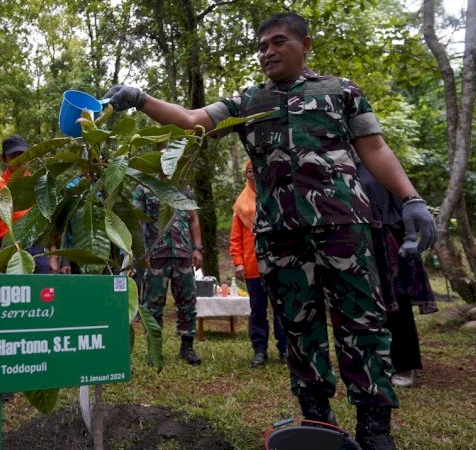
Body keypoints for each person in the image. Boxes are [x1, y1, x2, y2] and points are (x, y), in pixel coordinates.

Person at [104, 12, 437, 449]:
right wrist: (140, 98)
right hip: (280, 236)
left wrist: (411, 200)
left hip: (345, 230)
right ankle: (318, 424)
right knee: (299, 332)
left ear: (305, 44)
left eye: (277, 42)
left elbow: (374, 148)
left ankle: (375, 430)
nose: (267, 52)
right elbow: (190, 120)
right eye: (261, 46)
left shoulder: (340, 92)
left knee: (364, 327)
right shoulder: (248, 101)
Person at [358, 163, 437, 389]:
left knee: (397, 304)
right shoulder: (338, 163)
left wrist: (410, 237)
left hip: (388, 239)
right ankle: (373, 360)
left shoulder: (380, 165)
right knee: (363, 304)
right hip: (356, 240)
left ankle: (404, 365)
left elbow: (404, 201)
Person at [133, 183, 203, 365]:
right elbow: (136, 220)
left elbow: (193, 218)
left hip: (183, 254)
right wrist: (140, 250)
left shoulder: (184, 187)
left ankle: (187, 347)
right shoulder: (145, 187)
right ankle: (154, 350)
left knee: (187, 302)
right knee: (153, 305)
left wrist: (197, 248)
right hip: (156, 255)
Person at [230, 161, 286, 368]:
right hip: (253, 266)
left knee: (280, 309)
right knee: (257, 310)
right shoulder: (241, 204)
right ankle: (260, 351)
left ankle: (285, 349)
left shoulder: (274, 197)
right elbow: (235, 239)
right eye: (249, 171)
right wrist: (238, 263)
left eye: (256, 170)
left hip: (276, 263)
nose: (253, 174)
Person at [0, 135, 55, 273]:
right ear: (5, 159)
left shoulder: (39, 183)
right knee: (11, 292)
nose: (20, 160)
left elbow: (48, 221)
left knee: (40, 292)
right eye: (14, 156)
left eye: (23, 155)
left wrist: (53, 256)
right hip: (8, 247)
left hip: (37, 248)